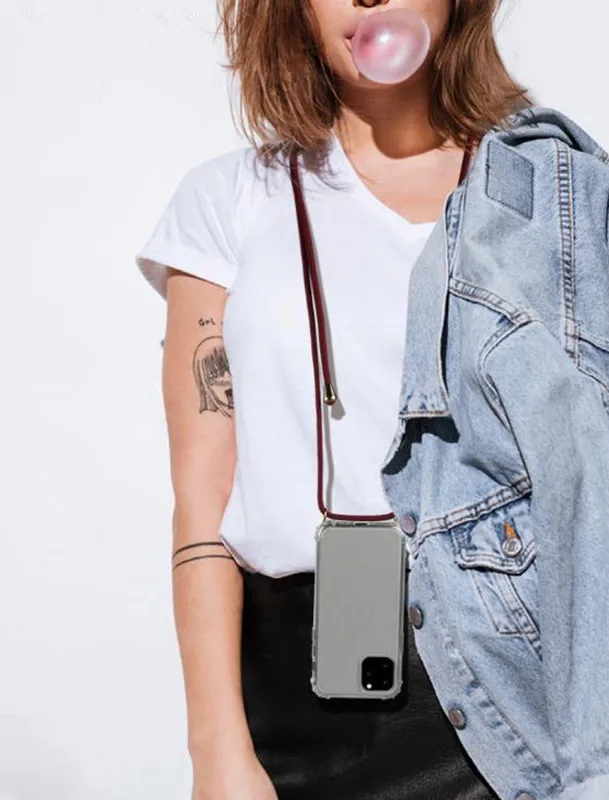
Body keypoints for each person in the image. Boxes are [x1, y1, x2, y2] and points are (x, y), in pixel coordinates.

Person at [135, 1, 532, 797]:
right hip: (296, 701)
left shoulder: (541, 194)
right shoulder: (229, 198)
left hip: (513, 689)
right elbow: (203, 500)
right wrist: (216, 748)